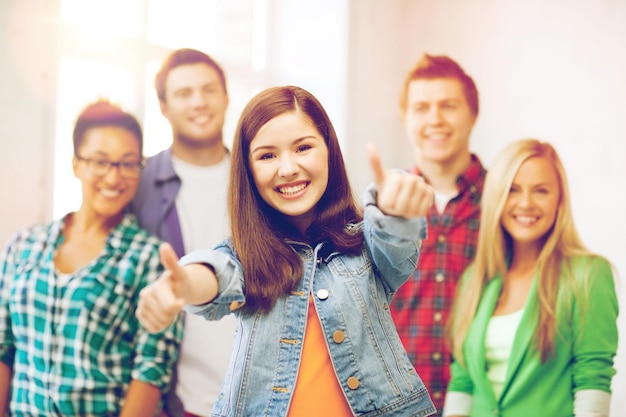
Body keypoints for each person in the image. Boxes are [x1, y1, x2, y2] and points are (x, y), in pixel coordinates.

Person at [136, 85, 437, 417]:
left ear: (329, 151)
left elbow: (396, 244)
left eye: (303, 148)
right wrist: (182, 286)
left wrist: (396, 211)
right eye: (267, 155)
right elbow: (215, 275)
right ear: (247, 171)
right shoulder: (246, 256)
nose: (288, 168)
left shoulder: (365, 244)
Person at [0, 100, 182, 416]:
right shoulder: (23, 244)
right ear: (76, 164)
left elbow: (152, 370)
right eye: (100, 162)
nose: (114, 178)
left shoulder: (150, 259)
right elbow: (3, 347)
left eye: (127, 164)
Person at [443, 139, 618, 417]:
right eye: (513, 190)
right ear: (496, 197)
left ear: (559, 199)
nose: (525, 203)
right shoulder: (474, 281)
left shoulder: (588, 275)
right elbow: (462, 381)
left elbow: (592, 379)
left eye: (541, 191)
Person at [129, 48, 236, 417]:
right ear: (163, 106)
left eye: (209, 90)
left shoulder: (258, 175)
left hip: (262, 390)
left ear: (226, 96)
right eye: (183, 93)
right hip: (178, 399)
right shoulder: (139, 182)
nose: (199, 102)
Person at [389, 53, 487, 415]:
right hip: (398, 402)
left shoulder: (506, 204)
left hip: (486, 401)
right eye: (421, 107)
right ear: (406, 118)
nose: (435, 120)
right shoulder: (383, 207)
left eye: (449, 106)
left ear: (472, 114)